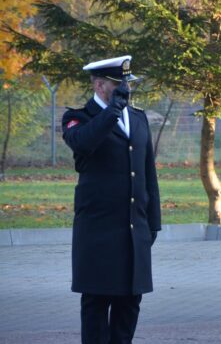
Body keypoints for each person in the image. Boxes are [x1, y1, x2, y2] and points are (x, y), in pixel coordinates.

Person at [61, 55, 161, 344]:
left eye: (127, 84)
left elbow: (147, 173)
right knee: (96, 302)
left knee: (130, 303)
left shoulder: (139, 118)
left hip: (134, 228)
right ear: (99, 84)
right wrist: (113, 109)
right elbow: (84, 143)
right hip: (99, 230)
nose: (126, 90)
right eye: (119, 84)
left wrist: (152, 221)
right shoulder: (78, 118)